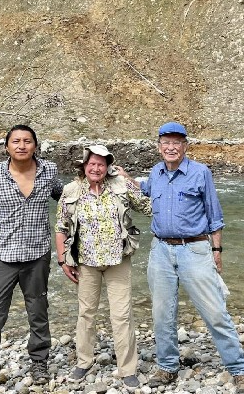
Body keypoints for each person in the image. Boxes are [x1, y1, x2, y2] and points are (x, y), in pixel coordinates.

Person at [140, 122, 244, 393]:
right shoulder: (155, 173)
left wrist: (217, 252)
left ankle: (239, 370)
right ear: (158, 146)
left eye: (176, 142)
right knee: (162, 313)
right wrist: (120, 178)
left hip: (195, 249)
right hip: (160, 251)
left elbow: (215, 217)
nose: (171, 147)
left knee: (215, 311)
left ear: (185, 146)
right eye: (166, 142)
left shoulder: (200, 173)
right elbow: (141, 192)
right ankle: (167, 367)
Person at [0, 124, 60, 393]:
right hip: (3, 256)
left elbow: (65, 199)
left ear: (35, 146)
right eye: (15, 141)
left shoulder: (49, 171)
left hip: (37, 255)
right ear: (7, 147)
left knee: (38, 311)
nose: (21, 146)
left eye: (27, 141)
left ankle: (39, 362)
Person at [54, 144, 152, 389]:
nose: (96, 168)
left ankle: (127, 368)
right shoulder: (71, 190)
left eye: (101, 164)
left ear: (108, 167)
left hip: (118, 260)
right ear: (84, 166)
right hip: (86, 262)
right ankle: (84, 362)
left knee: (121, 315)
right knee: (86, 314)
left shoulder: (120, 186)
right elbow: (61, 227)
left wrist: (132, 181)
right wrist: (63, 258)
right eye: (92, 164)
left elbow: (148, 207)